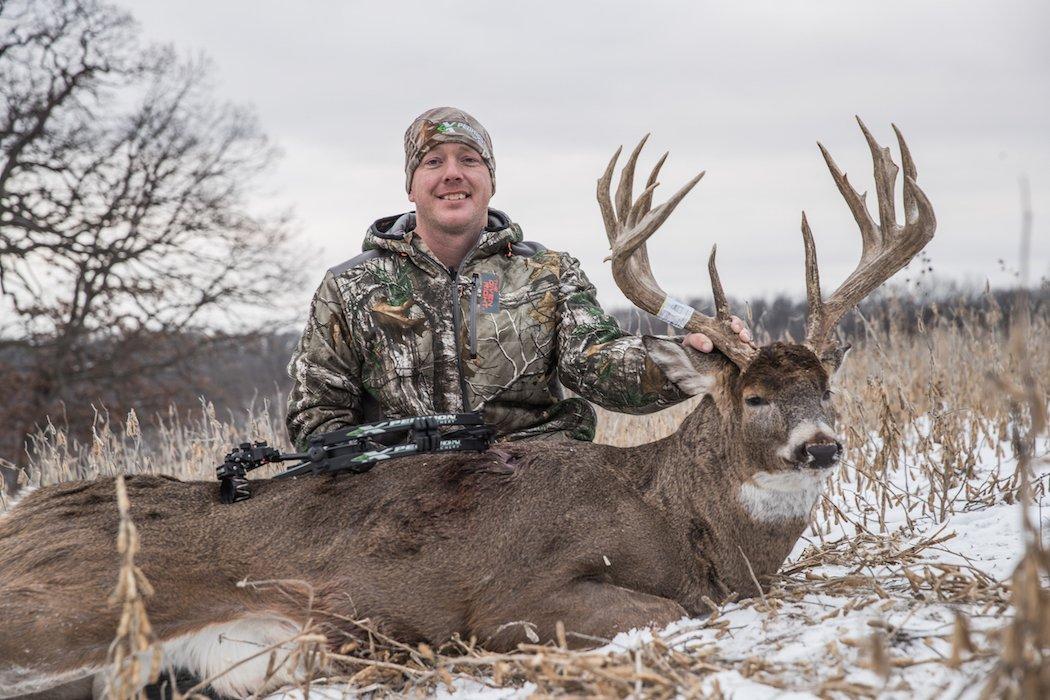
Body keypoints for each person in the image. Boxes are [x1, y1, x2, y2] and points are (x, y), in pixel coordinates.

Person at [286, 107, 750, 448]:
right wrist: (363, 467)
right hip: (406, 490)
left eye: (469, 160)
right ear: (411, 185)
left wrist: (688, 360)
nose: (452, 174)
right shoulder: (350, 286)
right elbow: (318, 412)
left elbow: (600, 363)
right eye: (433, 162)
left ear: (490, 179)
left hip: (533, 481)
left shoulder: (547, 274)